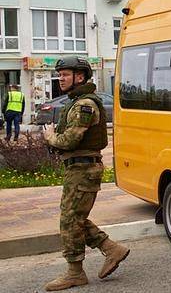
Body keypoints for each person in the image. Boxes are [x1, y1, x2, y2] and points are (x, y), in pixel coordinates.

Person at [43, 56, 130, 291]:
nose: (60, 78)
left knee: (70, 220)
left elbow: (70, 139)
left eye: (65, 74)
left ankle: (75, 272)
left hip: (84, 169)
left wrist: (50, 137)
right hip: (78, 169)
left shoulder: (85, 105)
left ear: (79, 77)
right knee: (74, 218)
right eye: (59, 74)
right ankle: (112, 249)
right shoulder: (77, 101)